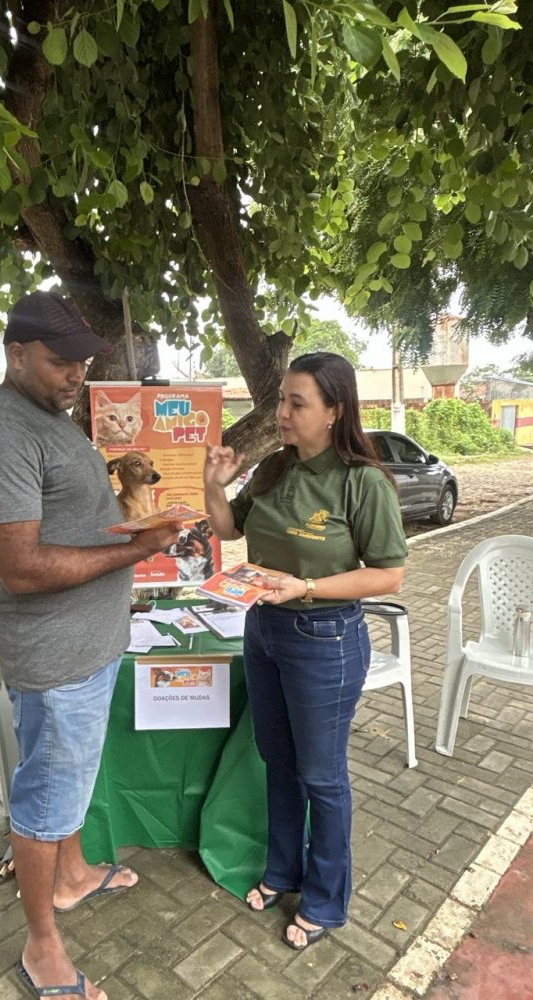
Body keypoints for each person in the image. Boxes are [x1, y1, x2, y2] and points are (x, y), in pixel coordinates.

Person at [0, 290, 182, 1000]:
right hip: (56, 656)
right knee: (46, 799)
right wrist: (137, 551)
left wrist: (136, 529)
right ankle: (42, 949)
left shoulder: (50, 418)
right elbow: (22, 568)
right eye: (61, 361)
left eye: (83, 361)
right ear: (16, 354)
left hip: (87, 643)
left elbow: (71, 523)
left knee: (68, 779)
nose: (76, 374)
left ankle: (73, 876)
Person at [203, 351, 407, 951]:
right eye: (281, 401)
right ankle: (282, 870)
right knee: (278, 760)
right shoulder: (274, 467)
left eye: (297, 403)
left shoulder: (362, 481)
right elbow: (228, 529)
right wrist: (214, 486)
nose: (282, 414)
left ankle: (325, 901)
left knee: (322, 775)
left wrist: (307, 587)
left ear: (334, 410)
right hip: (264, 630)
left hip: (326, 639)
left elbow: (389, 574)